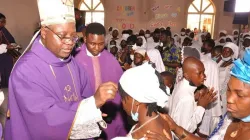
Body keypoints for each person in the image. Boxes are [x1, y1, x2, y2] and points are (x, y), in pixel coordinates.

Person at [5, 1, 118, 139]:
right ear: (44, 33)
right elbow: (44, 121)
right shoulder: (26, 70)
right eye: (62, 35)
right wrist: (91, 104)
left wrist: (93, 111)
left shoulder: (73, 64)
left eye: (73, 36)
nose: (70, 42)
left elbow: (85, 95)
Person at [149, 49, 250, 140]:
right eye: (228, 90)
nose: (229, 99)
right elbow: (186, 128)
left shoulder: (181, 86)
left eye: (240, 95)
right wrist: (200, 107)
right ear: (187, 75)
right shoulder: (229, 119)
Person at [74, 23, 127, 140]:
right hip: (85, 113)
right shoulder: (75, 59)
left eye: (101, 44)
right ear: (85, 38)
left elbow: (120, 85)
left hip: (109, 113)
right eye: (92, 44)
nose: (97, 48)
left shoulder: (110, 59)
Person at [113, 62, 172, 140]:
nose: (122, 103)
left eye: (123, 98)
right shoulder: (159, 118)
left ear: (136, 100)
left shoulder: (149, 135)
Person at [168, 57, 217, 135]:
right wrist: (201, 106)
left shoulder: (180, 84)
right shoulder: (187, 98)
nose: (204, 76)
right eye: (199, 73)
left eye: (203, 72)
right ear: (186, 76)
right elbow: (185, 131)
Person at [217, 42, 239, 115]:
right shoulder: (220, 62)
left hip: (223, 94)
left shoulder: (233, 65)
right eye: (224, 50)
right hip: (215, 92)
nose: (225, 53)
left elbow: (228, 82)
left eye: (228, 51)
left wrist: (220, 93)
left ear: (232, 53)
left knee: (222, 113)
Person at [0, 13, 19, 88]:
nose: (3, 24)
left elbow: (10, 40)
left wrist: (13, 45)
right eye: (2, 21)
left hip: (5, 56)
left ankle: (8, 85)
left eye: (4, 22)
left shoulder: (3, 29)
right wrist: (5, 47)